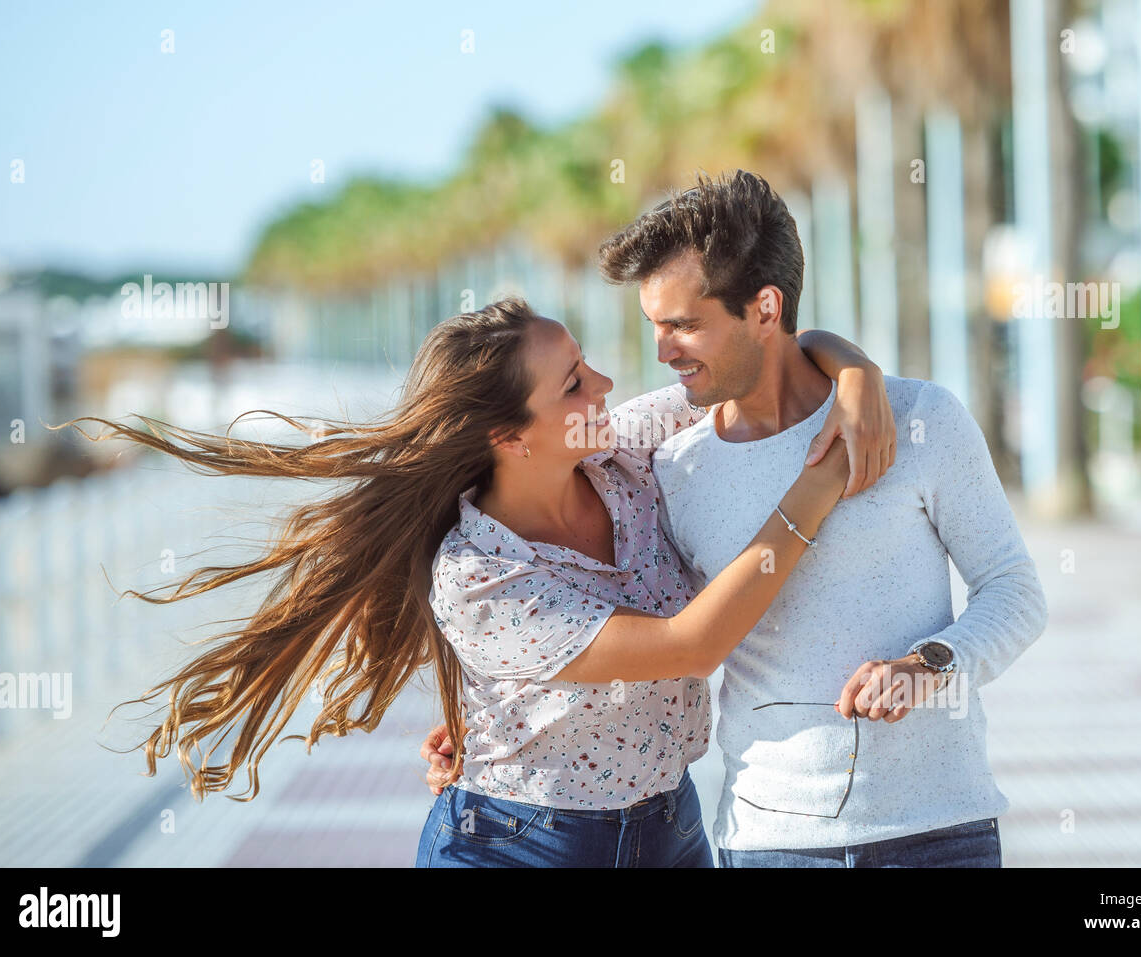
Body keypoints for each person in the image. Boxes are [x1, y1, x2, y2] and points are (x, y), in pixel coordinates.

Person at [61, 291, 895, 867]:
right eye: (572, 381)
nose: (603, 384)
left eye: (586, 363)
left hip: (668, 827)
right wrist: (819, 485)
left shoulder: (618, 452)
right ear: (508, 434)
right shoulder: (477, 573)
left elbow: (755, 364)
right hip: (524, 843)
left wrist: (855, 373)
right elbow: (692, 643)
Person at [424, 169, 1050, 868]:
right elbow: (661, 629)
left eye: (684, 326)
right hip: (770, 842)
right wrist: (498, 713)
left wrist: (933, 664)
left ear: (764, 308)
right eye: (654, 327)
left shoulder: (917, 418)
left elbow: (1015, 592)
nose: (661, 352)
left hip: (944, 827)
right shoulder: (667, 467)